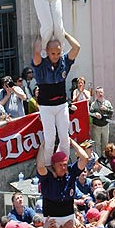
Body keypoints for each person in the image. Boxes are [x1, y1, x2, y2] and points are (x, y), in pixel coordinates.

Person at [32, 32, 80, 166]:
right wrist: (41, 35)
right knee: (50, 138)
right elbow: (36, 53)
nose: (56, 56)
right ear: (47, 52)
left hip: (61, 105)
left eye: (58, 53)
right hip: (46, 107)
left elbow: (76, 48)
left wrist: (63, 34)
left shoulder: (64, 61)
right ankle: (48, 165)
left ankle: (63, 163)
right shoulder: (41, 65)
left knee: (65, 138)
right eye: (53, 53)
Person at [36, 138, 88, 224]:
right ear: (53, 165)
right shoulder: (48, 175)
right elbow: (40, 166)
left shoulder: (71, 171)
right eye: (60, 165)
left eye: (65, 164)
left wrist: (71, 142)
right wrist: (41, 148)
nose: (63, 168)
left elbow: (85, 158)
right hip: (51, 217)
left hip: (69, 216)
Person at [89, 86, 114, 156]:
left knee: (105, 142)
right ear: (96, 94)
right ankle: (98, 158)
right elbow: (90, 113)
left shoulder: (107, 103)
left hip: (105, 125)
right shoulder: (94, 104)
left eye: (101, 92)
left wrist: (106, 109)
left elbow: (112, 112)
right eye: (99, 92)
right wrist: (95, 114)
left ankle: (105, 157)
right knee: (97, 143)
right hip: (96, 126)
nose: (100, 94)